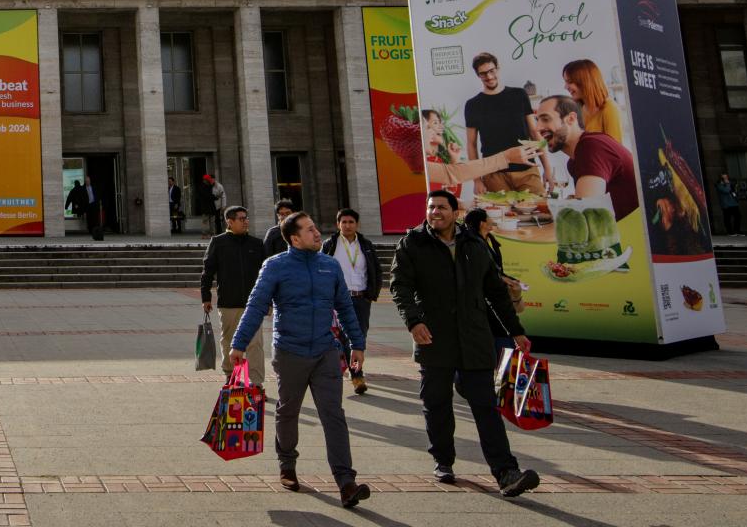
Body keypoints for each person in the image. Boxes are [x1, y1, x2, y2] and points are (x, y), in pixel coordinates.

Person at [390, 190, 540, 498]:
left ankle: (505, 472)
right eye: (431, 207)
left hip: (474, 338)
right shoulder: (413, 243)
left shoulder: (474, 245)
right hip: (435, 339)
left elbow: (495, 292)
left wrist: (516, 331)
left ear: (455, 212)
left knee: (486, 407)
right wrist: (414, 322)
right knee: (437, 404)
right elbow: (400, 286)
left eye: (442, 207)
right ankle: (443, 460)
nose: (435, 212)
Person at [228, 212, 371, 509]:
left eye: (316, 227)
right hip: (290, 352)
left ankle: (346, 483)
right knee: (288, 410)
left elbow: (345, 308)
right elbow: (256, 305)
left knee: (334, 415)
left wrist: (357, 344)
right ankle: (287, 465)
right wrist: (239, 344)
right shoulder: (275, 266)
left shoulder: (329, 266)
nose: (317, 233)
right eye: (309, 230)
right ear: (294, 238)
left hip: (325, 352)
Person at [534, 95, 638, 220]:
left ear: (571, 119)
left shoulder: (591, 147)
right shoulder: (573, 161)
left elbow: (585, 214)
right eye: (537, 120)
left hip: (633, 233)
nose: (537, 128)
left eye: (545, 119)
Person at [200, 206, 267, 379]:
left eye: (246, 218)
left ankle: (256, 383)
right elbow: (207, 272)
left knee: (255, 344)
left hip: (254, 304)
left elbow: (266, 275)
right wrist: (206, 297)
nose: (246, 221)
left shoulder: (256, 244)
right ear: (230, 222)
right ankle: (231, 377)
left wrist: (268, 300)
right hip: (228, 302)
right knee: (229, 340)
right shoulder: (218, 242)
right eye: (241, 218)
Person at [463, 54, 544, 196]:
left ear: (497, 69)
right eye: (483, 73)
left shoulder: (519, 94)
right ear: (478, 75)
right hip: (494, 175)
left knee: (539, 214)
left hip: (527, 171)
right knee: (501, 216)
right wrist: (477, 180)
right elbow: (471, 144)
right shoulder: (472, 105)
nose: (489, 76)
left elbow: (534, 131)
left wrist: (547, 169)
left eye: (491, 71)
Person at [321, 208, 381, 394]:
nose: (347, 225)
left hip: (361, 298)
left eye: (351, 222)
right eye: (343, 222)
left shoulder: (366, 245)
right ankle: (357, 375)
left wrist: (373, 293)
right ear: (338, 224)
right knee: (342, 337)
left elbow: (375, 270)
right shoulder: (330, 245)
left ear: (357, 224)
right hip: (338, 299)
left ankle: (353, 369)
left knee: (359, 336)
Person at [461, 207, 522, 352]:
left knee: (503, 334)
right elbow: (480, 272)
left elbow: (496, 268)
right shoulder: (471, 244)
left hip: (496, 295)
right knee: (502, 337)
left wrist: (506, 278)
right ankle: (504, 367)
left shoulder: (490, 240)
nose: (492, 220)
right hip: (485, 301)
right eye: (488, 217)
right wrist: (500, 278)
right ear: (482, 223)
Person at [562, 59, 622, 138]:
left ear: (584, 81)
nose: (565, 87)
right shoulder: (577, 111)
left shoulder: (609, 108)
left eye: (569, 82)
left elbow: (615, 149)